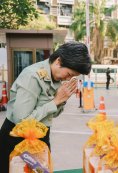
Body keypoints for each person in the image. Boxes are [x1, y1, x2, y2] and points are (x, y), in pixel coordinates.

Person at [0, 41, 92, 173]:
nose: (68, 79)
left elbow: (52, 114)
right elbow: (22, 122)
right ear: (59, 61)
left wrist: (62, 100)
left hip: (41, 136)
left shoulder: (57, 79)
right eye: (69, 74)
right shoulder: (33, 77)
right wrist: (55, 101)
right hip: (16, 138)